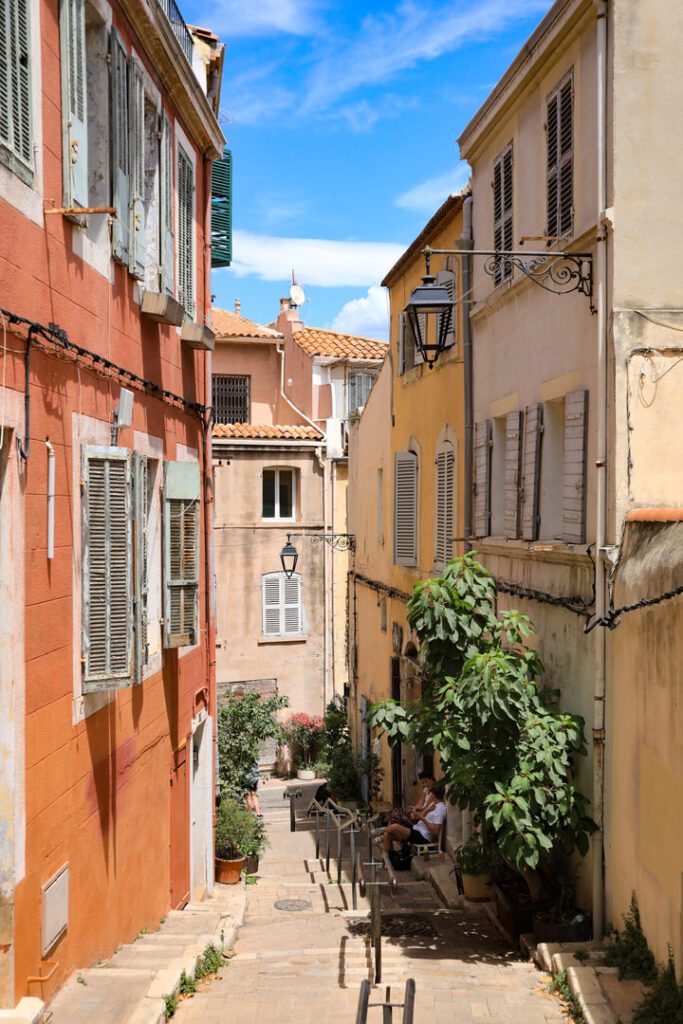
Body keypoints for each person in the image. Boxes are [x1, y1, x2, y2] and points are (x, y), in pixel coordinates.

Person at [383, 780, 447, 854]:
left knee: (395, 827)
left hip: (423, 836)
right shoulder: (433, 805)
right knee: (387, 835)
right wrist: (422, 812)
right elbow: (421, 815)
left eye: (430, 793)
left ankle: (380, 831)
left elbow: (435, 831)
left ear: (433, 794)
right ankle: (389, 861)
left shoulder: (440, 809)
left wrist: (422, 818)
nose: (430, 795)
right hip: (416, 829)